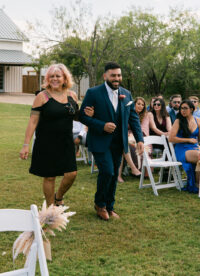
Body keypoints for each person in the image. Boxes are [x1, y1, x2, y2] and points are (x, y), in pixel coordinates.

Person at [20, 63, 93, 207]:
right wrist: (26, 144)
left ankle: (58, 197)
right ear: (47, 79)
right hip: (47, 142)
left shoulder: (71, 95)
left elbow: (75, 116)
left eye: (58, 76)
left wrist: (88, 114)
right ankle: (50, 208)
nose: (54, 79)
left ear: (64, 78)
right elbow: (33, 121)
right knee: (49, 177)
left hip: (66, 142)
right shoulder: (42, 96)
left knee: (71, 174)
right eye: (51, 76)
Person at [79, 62, 144, 221]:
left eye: (119, 75)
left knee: (115, 174)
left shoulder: (126, 94)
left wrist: (139, 139)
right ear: (105, 76)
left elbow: (133, 118)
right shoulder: (93, 93)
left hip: (119, 143)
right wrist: (102, 125)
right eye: (113, 75)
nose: (117, 78)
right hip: (100, 141)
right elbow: (82, 116)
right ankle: (99, 205)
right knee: (107, 171)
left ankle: (110, 206)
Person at [169, 100, 200, 193]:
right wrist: (188, 140)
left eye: (185, 108)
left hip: (195, 147)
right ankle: (197, 185)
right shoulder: (178, 121)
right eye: (181, 108)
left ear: (191, 109)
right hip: (182, 149)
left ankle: (197, 184)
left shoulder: (197, 120)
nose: (182, 110)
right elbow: (171, 138)